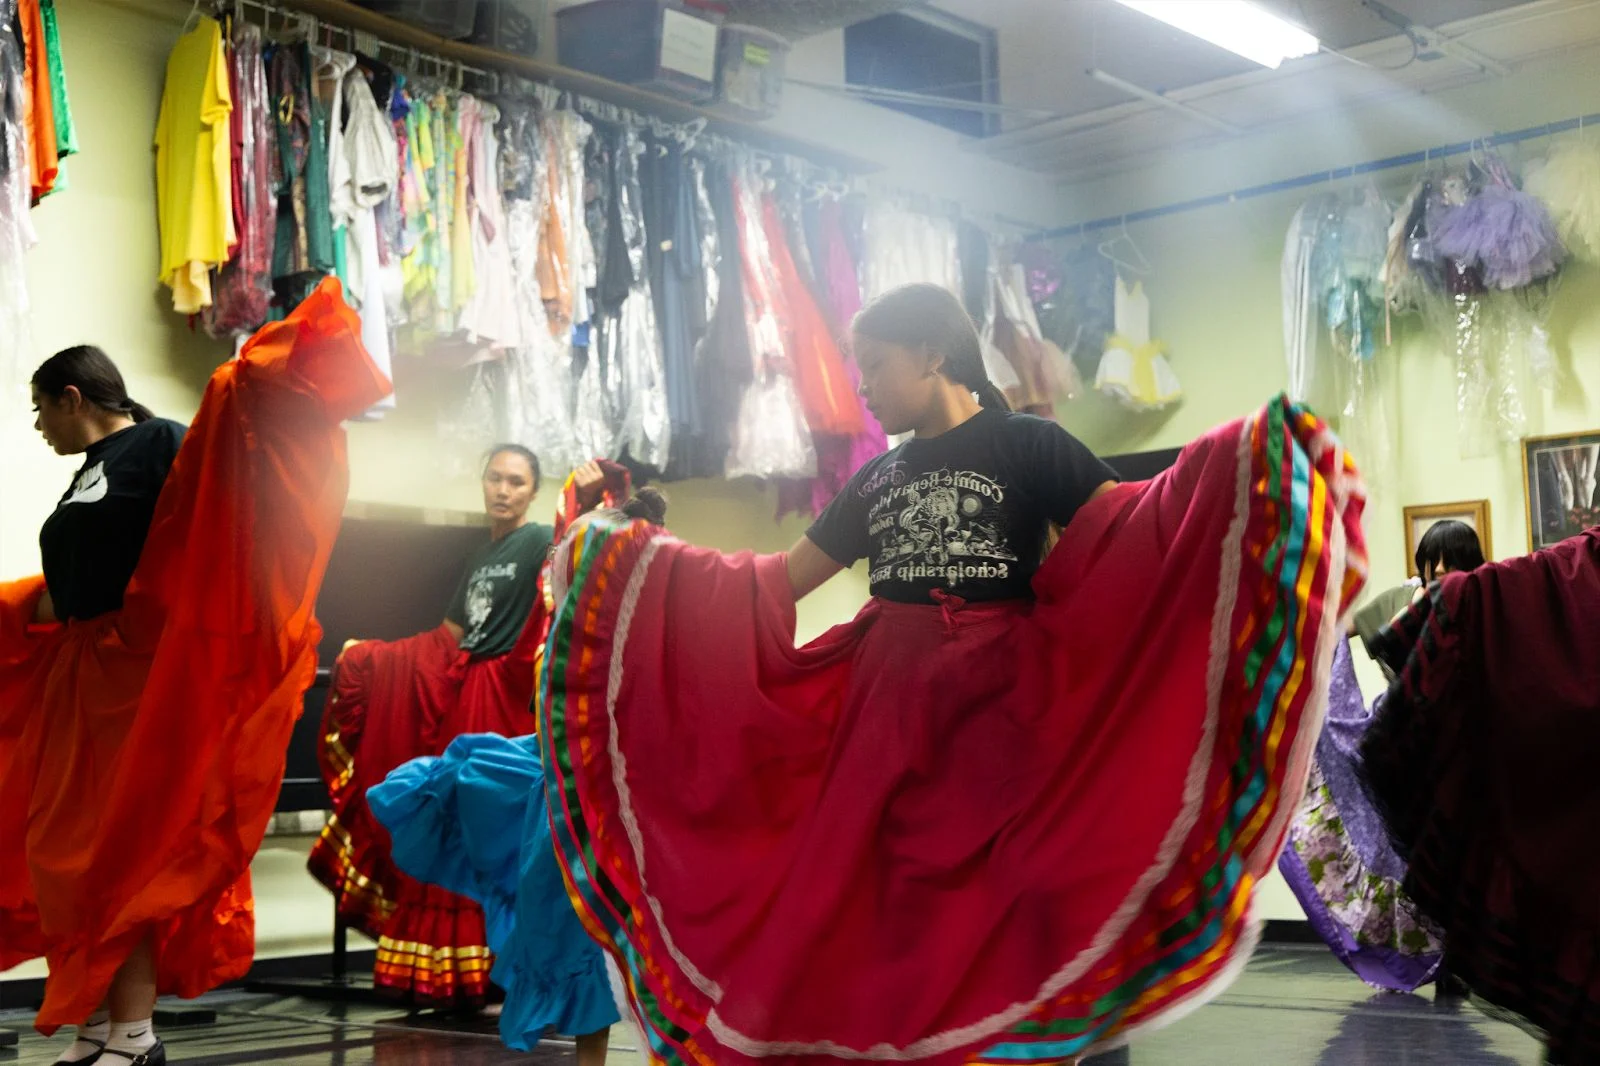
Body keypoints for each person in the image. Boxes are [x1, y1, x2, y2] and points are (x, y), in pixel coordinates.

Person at [534, 283, 1368, 1065]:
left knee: (1033, 894)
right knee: (885, 915)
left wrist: (1236, 461)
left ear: (933, 354)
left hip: (999, 715)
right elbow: (775, 581)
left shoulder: (1027, 443)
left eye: (875, 365)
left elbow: (1132, 531)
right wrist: (641, 567)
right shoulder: (877, 477)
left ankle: (1070, 1042)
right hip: (885, 718)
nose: (861, 387)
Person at [0, 279, 388, 1066]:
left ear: (73, 396)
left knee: (128, 856)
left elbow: (221, 519)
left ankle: (133, 1035)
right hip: (88, 682)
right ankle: (92, 1024)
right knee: (67, 859)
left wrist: (248, 387)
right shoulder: (90, 471)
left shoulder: (160, 443)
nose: (38, 426)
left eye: (42, 409)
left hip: (142, 679)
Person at [306, 448, 628, 1011]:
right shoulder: (482, 553)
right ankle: (450, 974)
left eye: (517, 481)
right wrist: (375, 658)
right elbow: (451, 634)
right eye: (496, 478)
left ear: (532, 492)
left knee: (488, 832)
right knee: (451, 819)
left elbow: (571, 560)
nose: (504, 489)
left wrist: (581, 499)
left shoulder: (534, 544)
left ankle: (496, 972)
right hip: (465, 691)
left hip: (502, 698)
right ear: (483, 483)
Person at [368, 488, 670, 1066]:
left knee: (611, 932)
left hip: (615, 795)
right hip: (566, 784)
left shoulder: (640, 626)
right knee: (572, 922)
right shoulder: (572, 625)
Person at [1361, 526, 1600, 1065]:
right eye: (1432, 566)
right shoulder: (1499, 597)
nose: (1439, 575)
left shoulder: (1510, 598)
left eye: (1448, 566)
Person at [1349, 520, 1486, 679]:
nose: (1439, 569)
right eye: (1433, 559)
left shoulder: (1482, 605)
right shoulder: (1401, 597)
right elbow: (1337, 632)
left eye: (1449, 560)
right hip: (1403, 700)